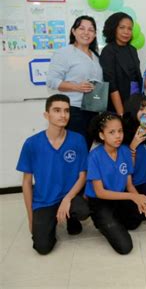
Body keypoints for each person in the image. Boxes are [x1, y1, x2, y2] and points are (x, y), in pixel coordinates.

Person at [16, 94, 90, 255]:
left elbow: (83, 175)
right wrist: (31, 219)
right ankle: (51, 222)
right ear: (46, 115)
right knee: (42, 248)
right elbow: (27, 183)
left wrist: (67, 199)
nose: (63, 115)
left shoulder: (78, 140)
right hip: (44, 201)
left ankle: (71, 219)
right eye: (57, 110)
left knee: (84, 211)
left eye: (66, 111)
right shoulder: (32, 144)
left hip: (68, 197)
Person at [85, 112, 146, 254]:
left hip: (120, 196)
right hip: (100, 201)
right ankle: (102, 221)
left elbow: (129, 185)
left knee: (145, 214)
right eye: (111, 132)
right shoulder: (94, 156)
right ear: (101, 135)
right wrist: (133, 197)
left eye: (120, 131)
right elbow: (100, 192)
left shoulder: (124, 150)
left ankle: (115, 219)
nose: (118, 136)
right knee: (125, 248)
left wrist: (140, 199)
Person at [47, 15, 103, 147]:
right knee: (73, 151)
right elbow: (52, 81)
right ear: (73, 31)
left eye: (90, 30)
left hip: (93, 110)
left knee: (86, 149)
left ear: (95, 34)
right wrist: (77, 87)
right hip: (74, 110)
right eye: (81, 28)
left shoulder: (95, 55)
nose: (86, 33)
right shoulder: (64, 53)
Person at [100, 12, 143, 115]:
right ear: (113, 28)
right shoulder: (108, 51)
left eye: (129, 28)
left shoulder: (132, 50)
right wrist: (121, 115)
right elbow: (112, 86)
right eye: (122, 27)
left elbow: (136, 78)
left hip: (135, 102)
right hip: (117, 106)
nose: (126, 32)